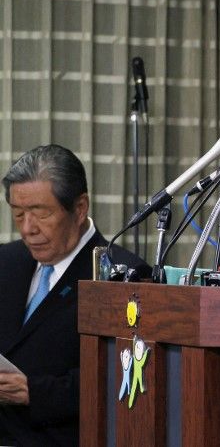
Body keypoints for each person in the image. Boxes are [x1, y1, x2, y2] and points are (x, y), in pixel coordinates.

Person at [0, 145, 144, 446]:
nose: (28, 229)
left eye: (40, 214)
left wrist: (35, 393)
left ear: (79, 209)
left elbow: (126, 377)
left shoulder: (122, 275)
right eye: (18, 214)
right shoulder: (6, 261)